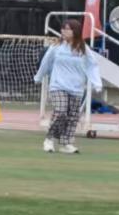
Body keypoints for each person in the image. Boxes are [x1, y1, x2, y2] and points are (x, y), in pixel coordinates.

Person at [33, 18, 104, 154]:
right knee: (61, 111)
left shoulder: (83, 48)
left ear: (75, 31)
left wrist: (97, 83)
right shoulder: (56, 47)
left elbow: (92, 65)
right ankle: (49, 139)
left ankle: (66, 143)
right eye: (63, 29)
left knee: (72, 117)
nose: (64, 31)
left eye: (67, 29)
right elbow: (46, 62)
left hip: (76, 88)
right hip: (58, 86)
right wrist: (39, 76)